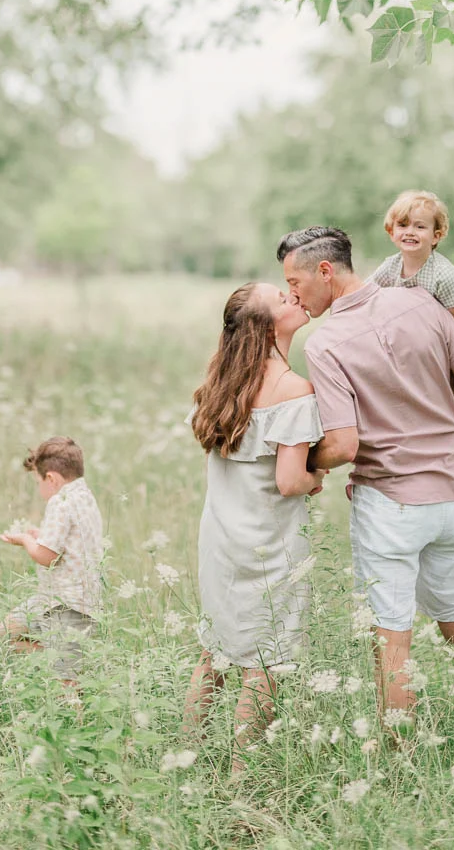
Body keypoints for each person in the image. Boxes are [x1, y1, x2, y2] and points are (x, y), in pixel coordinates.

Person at [281, 226, 454, 746]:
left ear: (326, 271)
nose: (292, 294)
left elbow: (345, 444)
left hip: (393, 504)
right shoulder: (423, 304)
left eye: (295, 281)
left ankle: (401, 768)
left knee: (393, 643)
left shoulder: (327, 342)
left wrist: (302, 461)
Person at [184, 282, 325, 771]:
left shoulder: (221, 385)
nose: (294, 298)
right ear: (268, 328)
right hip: (268, 543)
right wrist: (317, 476)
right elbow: (289, 481)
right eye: (283, 300)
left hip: (221, 539)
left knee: (216, 649)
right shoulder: (292, 390)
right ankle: (243, 775)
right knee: (266, 659)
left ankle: (188, 752)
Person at [370, 189, 454, 464]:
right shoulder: (391, 267)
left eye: (420, 226)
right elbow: (368, 292)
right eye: (403, 225)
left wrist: (421, 333)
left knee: (448, 378)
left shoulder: (444, 273)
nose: (410, 232)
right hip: (421, 329)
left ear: (436, 236)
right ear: (391, 231)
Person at [1, 436, 104, 684]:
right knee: (11, 627)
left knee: (66, 682)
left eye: (38, 482)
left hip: (65, 603)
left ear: (51, 479)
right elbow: (69, 539)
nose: (39, 490)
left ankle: (72, 704)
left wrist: (26, 540)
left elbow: (46, 557)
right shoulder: (84, 496)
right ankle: (54, 658)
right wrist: (42, 536)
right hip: (70, 598)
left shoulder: (60, 501)